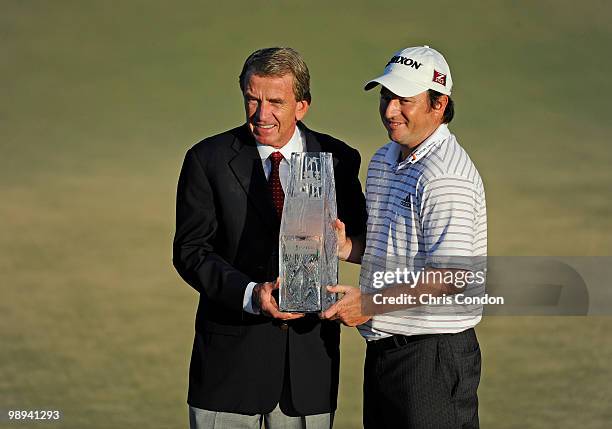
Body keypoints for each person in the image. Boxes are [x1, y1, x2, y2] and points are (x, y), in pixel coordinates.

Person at [173, 47, 367, 429]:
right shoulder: (206, 160)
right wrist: (250, 295)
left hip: (309, 372)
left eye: (276, 102)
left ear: (302, 106)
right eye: (252, 99)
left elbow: (364, 241)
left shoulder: (339, 159)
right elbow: (191, 252)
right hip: (228, 371)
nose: (262, 115)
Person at [322, 46, 487, 428]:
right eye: (386, 96)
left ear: (439, 104)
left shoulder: (445, 175)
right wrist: (347, 247)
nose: (390, 110)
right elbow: (396, 250)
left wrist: (369, 304)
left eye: (404, 100)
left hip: (433, 358)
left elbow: (450, 276)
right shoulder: (384, 158)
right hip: (386, 351)